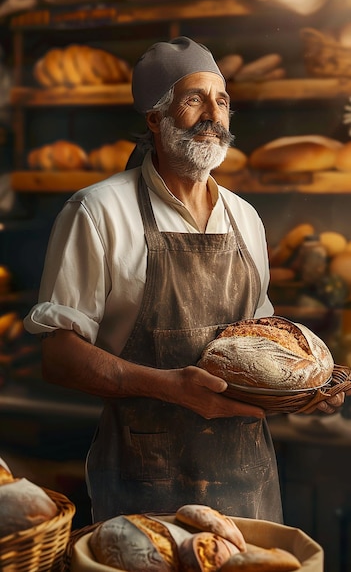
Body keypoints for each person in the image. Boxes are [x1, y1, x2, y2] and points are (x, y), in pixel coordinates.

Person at [24, 36, 347, 524]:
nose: (212, 116)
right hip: (144, 484)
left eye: (222, 102)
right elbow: (58, 356)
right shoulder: (98, 211)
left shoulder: (246, 218)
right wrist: (170, 387)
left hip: (246, 483)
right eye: (194, 98)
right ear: (155, 118)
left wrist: (301, 391)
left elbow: (260, 344)